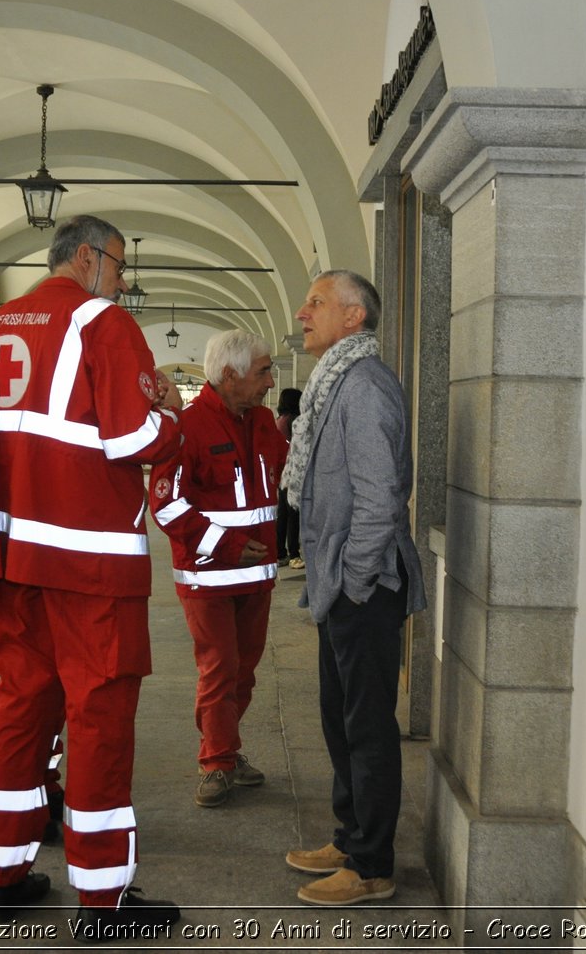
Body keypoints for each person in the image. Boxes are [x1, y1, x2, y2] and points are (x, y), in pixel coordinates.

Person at [0, 213, 185, 940]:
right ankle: (103, 900)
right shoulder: (100, 322)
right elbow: (133, 437)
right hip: (91, 564)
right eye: (121, 265)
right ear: (90, 257)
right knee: (97, 718)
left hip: (12, 563)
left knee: (19, 708)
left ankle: (4, 878)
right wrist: (171, 416)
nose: (124, 282)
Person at [280, 270, 426, 907]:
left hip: (362, 585)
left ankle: (371, 866)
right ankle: (350, 835)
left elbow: (379, 501)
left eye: (316, 303)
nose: (302, 312)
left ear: (353, 318)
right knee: (340, 719)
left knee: (366, 727)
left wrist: (355, 582)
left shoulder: (363, 387)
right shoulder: (334, 381)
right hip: (339, 579)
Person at [149, 330, 287, 808]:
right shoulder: (186, 429)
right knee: (219, 670)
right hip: (208, 578)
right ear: (229, 375)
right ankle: (217, 762)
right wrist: (227, 546)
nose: (271, 381)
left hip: (257, 578)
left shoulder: (265, 421)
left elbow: (284, 477)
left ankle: (226, 748)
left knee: (243, 673)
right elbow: (166, 508)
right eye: (263, 371)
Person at [274, 387, 303, 569]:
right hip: (292, 472)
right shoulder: (293, 421)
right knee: (293, 515)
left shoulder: (280, 420)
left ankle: (280, 552)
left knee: (283, 514)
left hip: (282, 473)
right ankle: (294, 553)